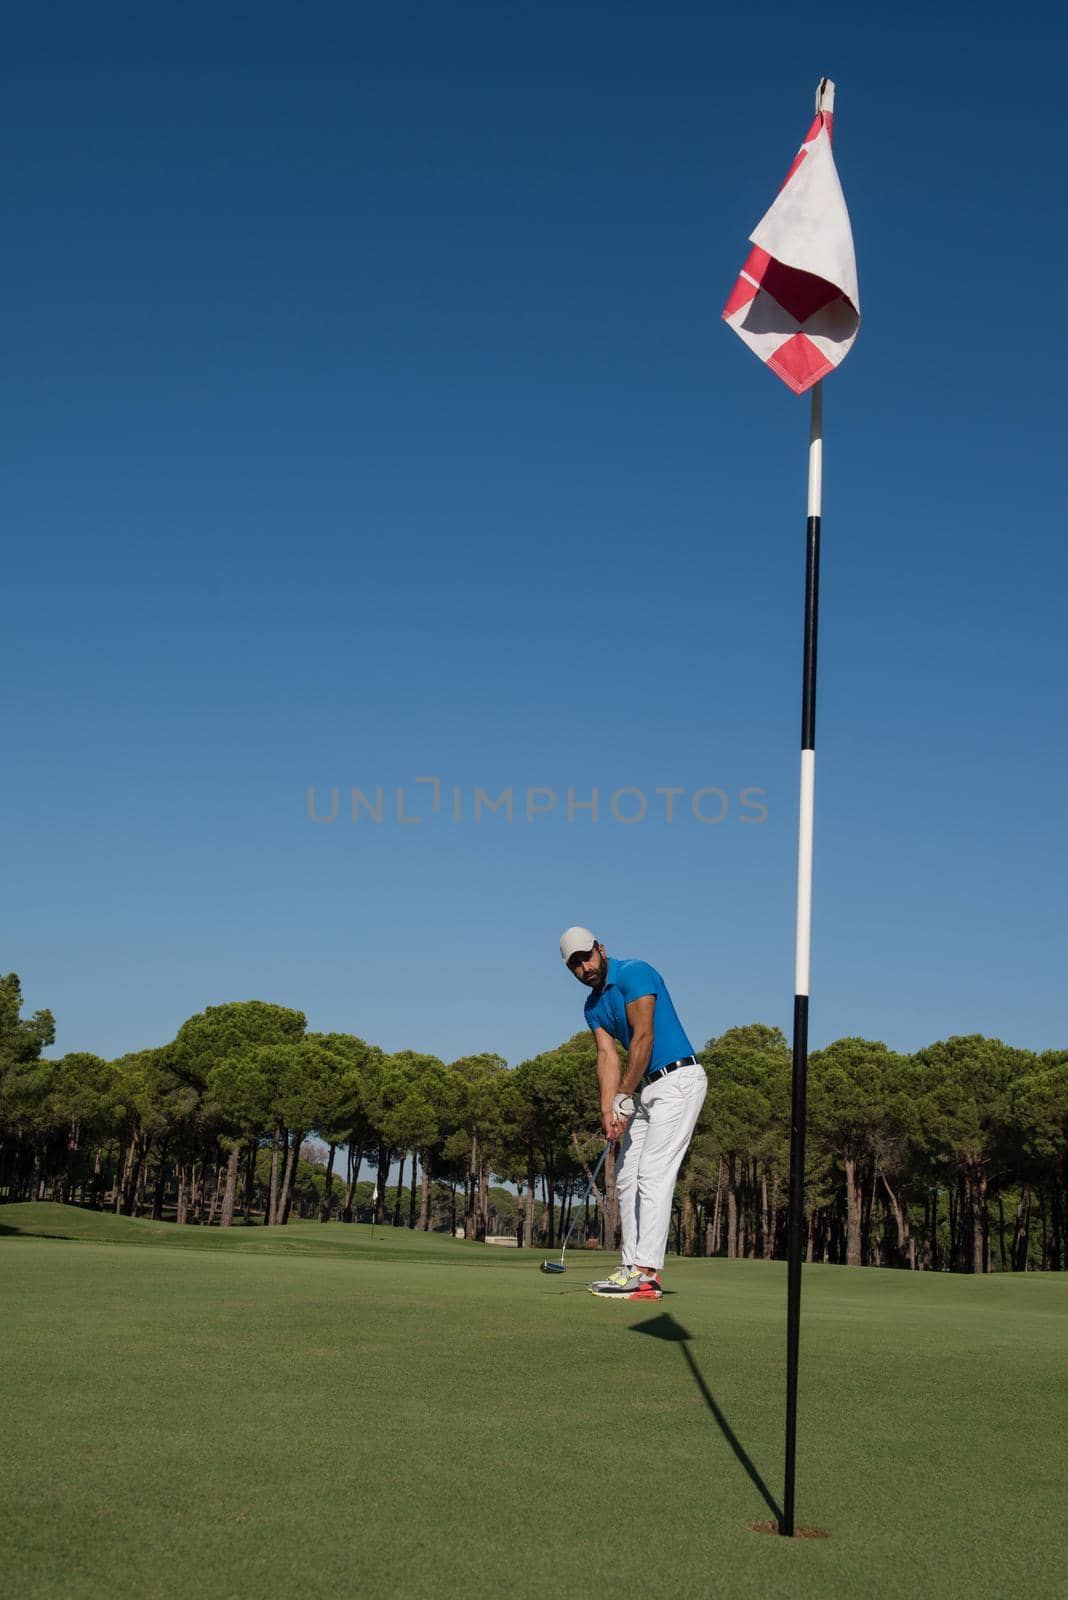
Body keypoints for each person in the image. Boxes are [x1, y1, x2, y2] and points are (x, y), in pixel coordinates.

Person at [559, 927, 707, 1302]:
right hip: (647, 1089)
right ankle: (629, 1267)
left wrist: (624, 1094)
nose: (584, 967)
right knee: (626, 1177)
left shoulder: (634, 973)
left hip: (679, 1079)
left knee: (654, 1174)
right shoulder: (592, 1007)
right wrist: (608, 1108)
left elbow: (644, 1038)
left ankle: (646, 1274)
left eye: (587, 956)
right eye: (575, 964)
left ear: (601, 948)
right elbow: (607, 1058)